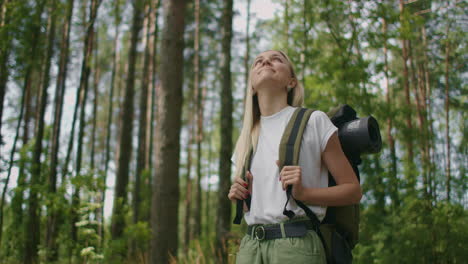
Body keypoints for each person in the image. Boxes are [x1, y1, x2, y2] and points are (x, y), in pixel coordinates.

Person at [228, 50, 362, 264]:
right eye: (258, 62)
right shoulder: (246, 139)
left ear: (291, 82)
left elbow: (353, 190)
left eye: (276, 59)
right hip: (250, 247)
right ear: (252, 86)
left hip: (296, 244)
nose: (265, 62)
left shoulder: (313, 121)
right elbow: (256, 207)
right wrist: (242, 199)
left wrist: (305, 193)